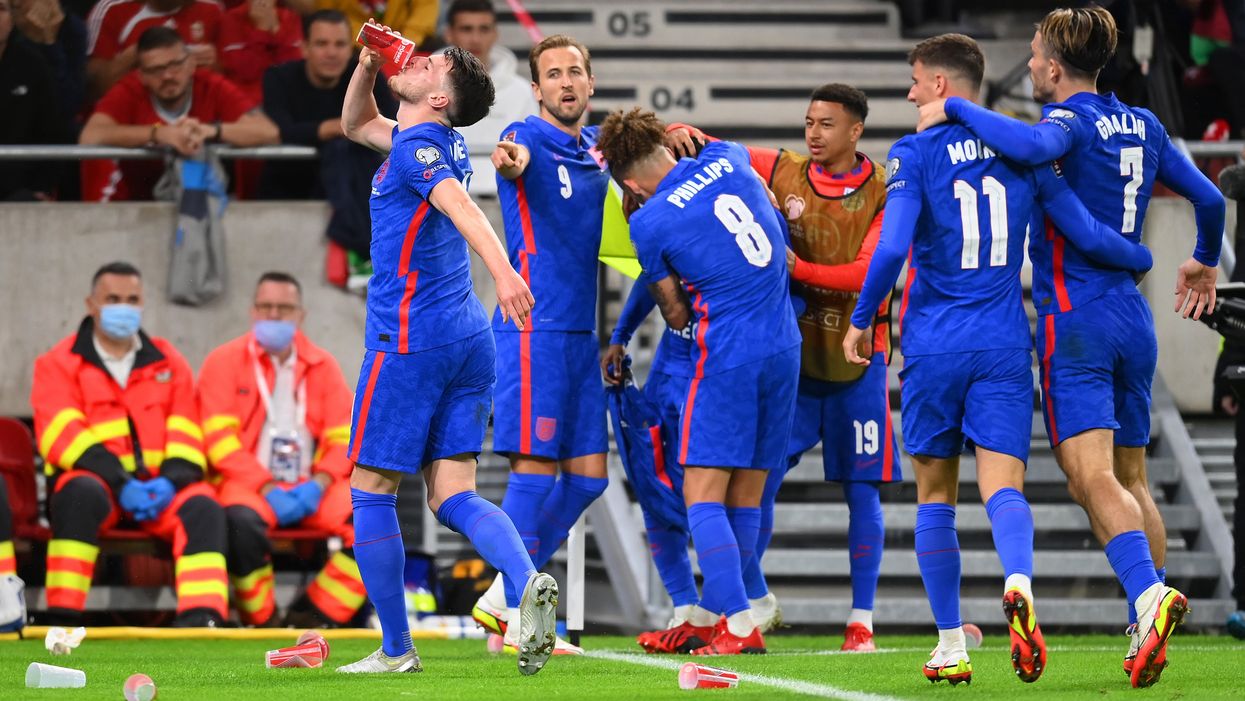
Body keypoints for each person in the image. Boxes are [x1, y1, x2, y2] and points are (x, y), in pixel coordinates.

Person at [916, 7, 1225, 687]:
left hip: (1076, 319)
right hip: (1133, 318)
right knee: (1132, 478)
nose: (1028, 65)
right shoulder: (1143, 123)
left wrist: (956, 107)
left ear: (1054, 67)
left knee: (1090, 477)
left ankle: (1149, 598)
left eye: (1033, 55)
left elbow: (1031, 149)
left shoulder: (1065, 125)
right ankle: (1147, 617)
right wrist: (1201, 259)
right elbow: (1209, 198)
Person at [844, 33, 1155, 686]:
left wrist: (862, 317)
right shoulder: (1025, 150)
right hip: (1004, 344)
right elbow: (1085, 231)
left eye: (915, 80)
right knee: (1004, 489)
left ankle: (950, 643)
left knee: (935, 495)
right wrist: (1140, 257)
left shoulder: (912, 154)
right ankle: (1023, 582)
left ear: (940, 85)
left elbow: (892, 247)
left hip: (934, 344)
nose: (909, 92)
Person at [335, 22, 556, 675]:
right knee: (452, 491)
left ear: (437, 98)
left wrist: (506, 271)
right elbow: (355, 124)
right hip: (467, 338)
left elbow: (463, 208)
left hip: (409, 341)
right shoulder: (432, 139)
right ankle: (524, 585)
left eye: (430, 66)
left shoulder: (417, 150)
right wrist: (368, 65)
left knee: (370, 489)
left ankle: (396, 650)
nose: (417, 61)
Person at [664, 83, 900, 653]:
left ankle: (861, 622)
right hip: (793, 358)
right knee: (757, 483)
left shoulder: (883, 191)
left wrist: (797, 268)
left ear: (856, 131)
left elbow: (869, 273)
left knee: (862, 492)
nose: (813, 133)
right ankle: (749, 600)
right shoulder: (785, 169)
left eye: (826, 124)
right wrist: (683, 133)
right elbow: (727, 152)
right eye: (809, 122)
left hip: (857, 360)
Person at [597, 107, 802, 655]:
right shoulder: (729, 156)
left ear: (630, 185)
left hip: (728, 354)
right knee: (748, 495)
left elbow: (676, 313)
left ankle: (738, 625)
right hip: (784, 345)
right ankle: (727, 615)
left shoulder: (649, 222)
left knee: (702, 496)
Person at [469, 34, 608, 656]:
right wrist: (508, 161)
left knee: (589, 479)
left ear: (590, 81)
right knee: (533, 468)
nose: (566, 82)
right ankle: (518, 609)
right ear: (537, 88)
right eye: (553, 74)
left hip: (580, 334)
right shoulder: (525, 136)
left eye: (575, 71)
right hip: (533, 328)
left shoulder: (600, 149)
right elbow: (512, 156)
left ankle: (502, 597)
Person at [31, 261, 229, 627]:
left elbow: (187, 432)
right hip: (100, 491)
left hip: (160, 492)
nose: (123, 307)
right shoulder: (58, 364)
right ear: (91, 304)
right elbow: (62, 436)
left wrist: (170, 482)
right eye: (113, 299)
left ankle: (202, 620)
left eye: (132, 299)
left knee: (204, 506)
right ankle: (63, 619)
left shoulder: (169, 361)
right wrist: (121, 484)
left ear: (143, 303)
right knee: (79, 494)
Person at [198, 272, 363, 627]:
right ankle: (265, 622)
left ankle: (313, 616)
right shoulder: (223, 362)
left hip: (315, 485)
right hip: (249, 485)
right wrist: (266, 486)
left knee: (373, 521)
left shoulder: (323, 366)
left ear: (301, 315)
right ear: (252, 311)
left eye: (284, 308)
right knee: (239, 523)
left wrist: (319, 482)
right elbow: (219, 443)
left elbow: (345, 438)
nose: (273, 315)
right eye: (266, 307)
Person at [258, 9, 395, 277]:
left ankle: (362, 252)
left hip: (353, 182)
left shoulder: (368, 75)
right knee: (342, 148)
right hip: (289, 187)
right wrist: (340, 127)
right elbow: (282, 131)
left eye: (340, 44)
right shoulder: (279, 77)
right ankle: (364, 251)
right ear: (304, 48)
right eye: (322, 44)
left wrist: (340, 130)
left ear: (350, 49)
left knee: (346, 151)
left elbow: (391, 126)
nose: (331, 53)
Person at [78, 26, 278, 201]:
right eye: (156, 70)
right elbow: (90, 136)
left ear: (191, 64)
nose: (167, 76)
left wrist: (210, 131)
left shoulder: (210, 85)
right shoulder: (130, 89)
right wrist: (158, 133)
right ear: (142, 76)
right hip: (136, 204)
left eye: (175, 65)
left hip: (203, 199)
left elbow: (269, 132)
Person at [439, 0, 536, 197]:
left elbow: (532, 150)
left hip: (505, 198)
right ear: (449, 33)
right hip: (443, 199)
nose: (475, 38)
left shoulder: (522, 91)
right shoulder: (425, 87)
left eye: (484, 29)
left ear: (495, 34)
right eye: (466, 29)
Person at [0, 0, 73, 201]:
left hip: (19, 192)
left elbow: (53, 131)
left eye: (1, 9)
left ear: (12, 20)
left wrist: (42, 188)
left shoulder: (33, 66)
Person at [86, 0, 223, 99]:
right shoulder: (111, 8)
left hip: (195, 116)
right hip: (129, 116)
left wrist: (214, 65)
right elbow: (93, 88)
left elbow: (227, 79)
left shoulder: (212, 7)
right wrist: (140, 52)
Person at [217, 0, 303, 105]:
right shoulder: (231, 18)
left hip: (286, 101)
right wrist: (261, 30)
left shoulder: (291, 18)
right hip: (247, 104)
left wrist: (276, 30)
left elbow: (293, 71)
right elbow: (246, 72)